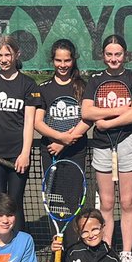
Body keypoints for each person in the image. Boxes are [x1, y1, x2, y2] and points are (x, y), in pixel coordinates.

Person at [82, 34, 132, 262]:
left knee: (128, 201)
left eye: (118, 54)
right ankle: (106, 251)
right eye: (109, 54)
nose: (113, 58)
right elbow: (86, 111)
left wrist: (107, 122)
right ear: (103, 55)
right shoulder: (95, 80)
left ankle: (126, 253)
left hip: (127, 143)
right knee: (106, 202)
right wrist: (123, 109)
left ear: (125, 55)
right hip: (101, 146)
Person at [0, 35, 41, 234]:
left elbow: (29, 122)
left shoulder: (28, 84)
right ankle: (0, 245)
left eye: (8, 54)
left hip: (17, 154)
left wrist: (25, 153)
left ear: (17, 54)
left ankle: (19, 247)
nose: (3, 59)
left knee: (15, 202)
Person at [34, 38, 92, 173]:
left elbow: (88, 119)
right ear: (53, 60)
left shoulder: (84, 87)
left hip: (76, 151)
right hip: (50, 149)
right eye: (58, 60)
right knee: (53, 194)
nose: (62, 65)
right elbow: (37, 122)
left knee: (74, 194)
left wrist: (63, 143)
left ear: (73, 60)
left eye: (67, 60)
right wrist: (60, 138)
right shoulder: (43, 88)